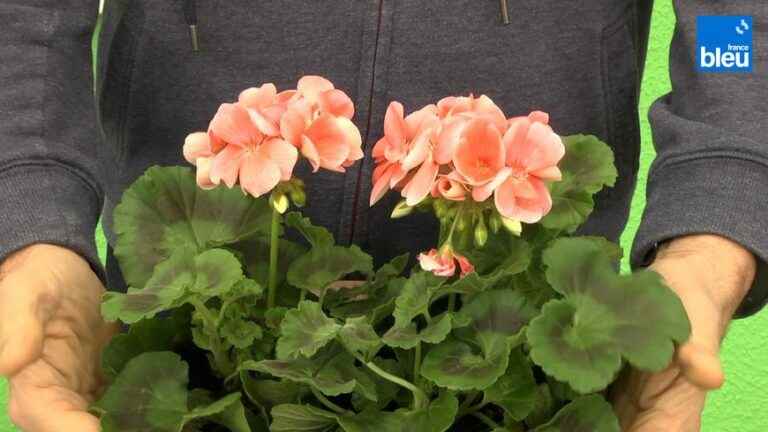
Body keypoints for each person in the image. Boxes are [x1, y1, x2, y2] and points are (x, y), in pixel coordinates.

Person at [0, 1, 764, 431]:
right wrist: (35, 220)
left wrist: (714, 225)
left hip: (523, 358)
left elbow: (732, 20)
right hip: (192, 347)